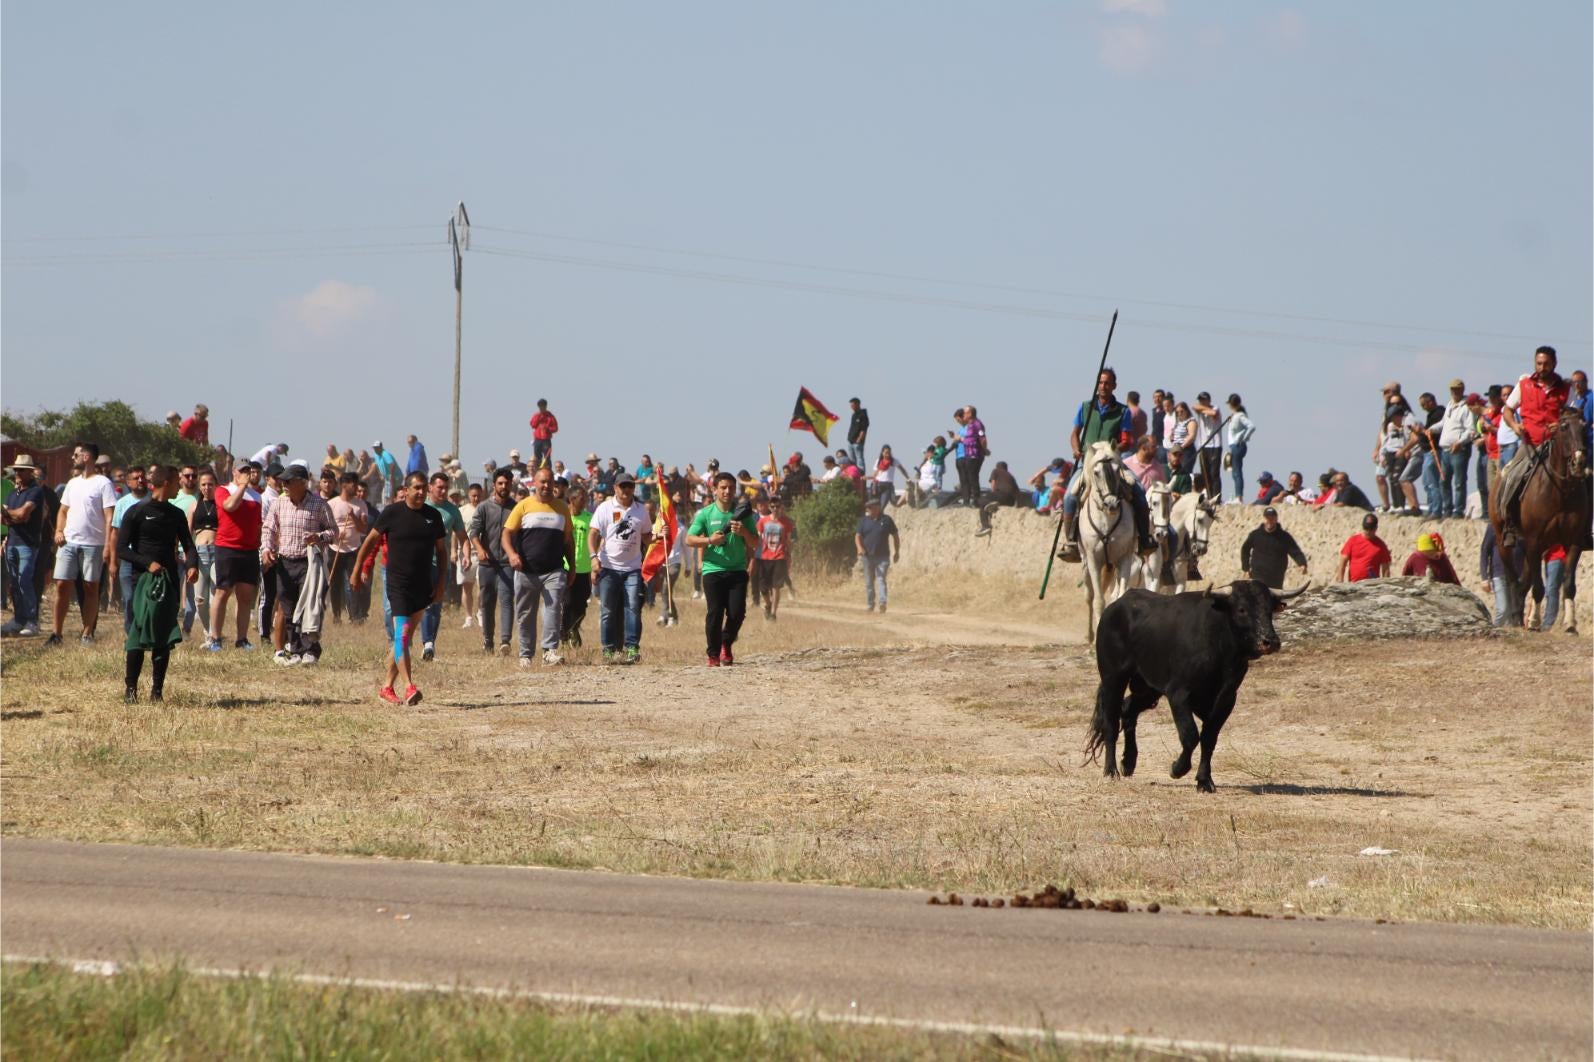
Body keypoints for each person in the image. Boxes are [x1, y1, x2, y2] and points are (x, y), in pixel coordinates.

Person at [353, 472, 447, 705]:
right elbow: (369, 541)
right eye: (416, 488)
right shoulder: (391, 513)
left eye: (424, 488)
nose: (421, 492)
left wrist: (441, 583)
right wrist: (357, 569)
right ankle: (409, 687)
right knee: (401, 635)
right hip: (398, 584)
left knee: (403, 639)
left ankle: (386, 686)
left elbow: (442, 552)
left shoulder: (433, 516)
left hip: (422, 585)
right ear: (405, 489)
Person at [117, 466, 199, 702]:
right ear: (166, 483)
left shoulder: (175, 514)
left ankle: (157, 692)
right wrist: (147, 562)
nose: (180, 486)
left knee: (163, 636)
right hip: (142, 580)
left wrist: (192, 565)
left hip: (169, 581)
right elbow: (122, 549)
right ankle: (130, 690)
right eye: (177, 482)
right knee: (138, 634)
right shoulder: (136, 512)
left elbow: (189, 545)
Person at [1057, 368, 1154, 562]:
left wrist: (1108, 451)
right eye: (1101, 383)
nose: (1103, 386)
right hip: (1087, 464)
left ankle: (1144, 539)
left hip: (1112, 463)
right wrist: (1077, 449)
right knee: (1069, 497)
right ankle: (1071, 543)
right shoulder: (1085, 407)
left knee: (1139, 493)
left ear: (1114, 386)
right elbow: (1075, 433)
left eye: (1107, 383)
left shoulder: (1122, 411)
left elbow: (1126, 440)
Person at [261, 464, 338, 665]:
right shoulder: (279, 503)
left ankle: (310, 650)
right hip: (285, 563)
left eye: (288, 481)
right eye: (282, 481)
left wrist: (319, 536)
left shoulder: (319, 505)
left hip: (309, 564)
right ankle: (294, 649)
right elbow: (268, 528)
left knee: (307, 607)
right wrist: (266, 549)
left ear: (302, 483)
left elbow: (333, 532)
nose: (283, 484)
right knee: (288, 607)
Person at [1497, 345, 1572, 545]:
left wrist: (1561, 424)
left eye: (1546, 364)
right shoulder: (1523, 385)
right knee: (1511, 475)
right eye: (1539, 363)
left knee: (1582, 477)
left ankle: (1583, 529)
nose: (1542, 367)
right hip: (1530, 443)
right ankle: (1510, 523)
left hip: (1557, 445)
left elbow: (1573, 414)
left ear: (1554, 364)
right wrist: (1515, 426)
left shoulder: (1565, 388)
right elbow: (1507, 410)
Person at [679, 472, 756, 665]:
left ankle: (726, 643)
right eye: (723, 487)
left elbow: (755, 542)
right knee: (715, 612)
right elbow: (689, 539)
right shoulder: (705, 514)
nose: (727, 491)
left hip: (738, 570)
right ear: (714, 490)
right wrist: (709, 540)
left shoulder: (743, 514)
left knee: (737, 613)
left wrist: (744, 532)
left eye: (731, 487)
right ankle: (713, 654)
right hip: (713, 570)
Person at [502, 467, 574, 667]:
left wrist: (573, 567)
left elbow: (568, 541)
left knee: (554, 607)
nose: (546, 486)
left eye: (550, 482)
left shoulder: (562, 508)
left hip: (554, 570)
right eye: (542, 482)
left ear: (555, 485)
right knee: (525, 613)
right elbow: (506, 533)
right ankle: (525, 654)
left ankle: (550, 651)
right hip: (526, 570)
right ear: (534, 483)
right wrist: (512, 554)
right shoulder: (523, 506)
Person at [48, 444, 119, 646]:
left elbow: (109, 517)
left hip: (93, 545)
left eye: (77, 455)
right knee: (62, 584)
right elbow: (63, 511)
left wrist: (107, 545)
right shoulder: (72, 483)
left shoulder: (103, 484)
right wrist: (59, 531)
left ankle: (87, 633)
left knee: (91, 587)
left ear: (87, 457)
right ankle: (56, 634)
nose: (73, 457)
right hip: (69, 543)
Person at [589, 472, 652, 664]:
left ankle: (632, 648)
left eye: (629, 486)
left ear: (634, 488)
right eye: (622, 486)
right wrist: (593, 557)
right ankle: (608, 650)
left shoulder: (641, 510)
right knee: (607, 610)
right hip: (609, 568)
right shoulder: (605, 508)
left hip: (633, 569)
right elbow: (593, 533)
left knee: (633, 608)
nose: (626, 490)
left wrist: (659, 536)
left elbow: (647, 536)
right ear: (615, 488)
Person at [206, 461, 263, 651]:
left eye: (249, 471)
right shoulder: (223, 490)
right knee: (222, 592)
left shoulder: (257, 497)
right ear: (234, 472)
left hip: (249, 550)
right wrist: (242, 486)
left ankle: (242, 639)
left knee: (245, 596)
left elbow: (258, 525)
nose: (247, 474)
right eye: (243, 471)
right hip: (227, 548)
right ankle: (215, 637)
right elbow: (229, 506)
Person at [418, 472, 468, 661]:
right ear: (430, 487)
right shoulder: (420, 507)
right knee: (423, 604)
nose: (443, 491)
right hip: (419, 564)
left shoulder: (452, 511)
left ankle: (429, 643)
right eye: (439, 487)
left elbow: (463, 537)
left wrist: (466, 555)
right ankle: (422, 641)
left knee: (435, 604)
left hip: (441, 565)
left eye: (446, 487)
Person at [468, 468, 517, 654]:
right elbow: (474, 532)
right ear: (494, 485)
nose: (504, 486)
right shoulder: (484, 507)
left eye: (507, 483)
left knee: (506, 600)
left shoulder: (516, 507)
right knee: (487, 602)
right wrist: (480, 549)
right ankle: (488, 640)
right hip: (487, 563)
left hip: (507, 563)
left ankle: (505, 641)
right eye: (500, 483)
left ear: (511, 484)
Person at [2, 454, 46, 636]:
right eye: (16, 470)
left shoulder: (35, 492)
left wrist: (10, 515)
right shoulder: (13, 493)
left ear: (29, 473)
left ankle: (31, 620)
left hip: (28, 543)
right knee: (14, 582)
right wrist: (13, 516)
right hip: (12, 541)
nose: (17, 473)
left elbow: (22, 514)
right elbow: (5, 519)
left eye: (21, 470)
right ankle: (19, 619)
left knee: (24, 580)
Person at [327, 472, 370, 626]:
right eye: (352, 483)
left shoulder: (361, 504)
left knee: (354, 582)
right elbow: (326, 527)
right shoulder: (332, 504)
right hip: (335, 548)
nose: (355, 486)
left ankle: (356, 616)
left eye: (356, 482)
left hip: (354, 549)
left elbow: (364, 529)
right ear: (344, 485)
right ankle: (337, 615)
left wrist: (353, 516)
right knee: (335, 583)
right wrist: (336, 535)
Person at [1238, 507, 1309, 590]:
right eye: (1267, 518)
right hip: (1258, 575)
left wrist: (1302, 563)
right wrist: (1246, 568)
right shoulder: (1255, 535)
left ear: (1276, 519)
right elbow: (1245, 549)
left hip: (1276, 577)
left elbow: (1295, 551)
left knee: (1274, 600)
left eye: (1272, 518)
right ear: (1264, 519)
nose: (1270, 521)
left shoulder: (1284, 537)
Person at [561, 482, 595, 646]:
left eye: (586, 498)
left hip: (584, 569)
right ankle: (564, 634)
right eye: (582, 498)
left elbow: (596, 539)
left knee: (582, 605)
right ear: (572, 499)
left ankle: (574, 627)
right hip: (566, 568)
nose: (585, 501)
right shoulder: (564, 517)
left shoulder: (589, 518)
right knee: (567, 603)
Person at [188, 468, 219, 641]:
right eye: (204, 484)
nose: (207, 487)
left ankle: (214, 636)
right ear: (200, 486)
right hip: (199, 554)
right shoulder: (194, 505)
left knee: (215, 598)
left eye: (210, 484)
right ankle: (208, 632)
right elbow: (187, 532)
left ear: (216, 485)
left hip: (217, 553)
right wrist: (187, 555)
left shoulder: (220, 505)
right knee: (200, 599)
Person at [1437, 378, 1474, 519]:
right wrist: (1430, 429)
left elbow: (1470, 430)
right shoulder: (1450, 405)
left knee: (1459, 481)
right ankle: (1447, 509)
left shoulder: (1466, 407)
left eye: (1457, 389)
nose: (1454, 392)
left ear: (1462, 390)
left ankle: (1458, 510)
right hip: (1445, 449)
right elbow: (1443, 424)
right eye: (1452, 389)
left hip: (1459, 450)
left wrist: (1460, 442)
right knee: (1444, 481)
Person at [855, 497, 899, 613]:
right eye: (867, 508)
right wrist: (859, 548)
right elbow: (857, 536)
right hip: (867, 556)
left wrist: (897, 552)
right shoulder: (863, 521)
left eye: (870, 508)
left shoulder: (887, 520)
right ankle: (870, 604)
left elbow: (895, 536)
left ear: (877, 508)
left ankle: (882, 602)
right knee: (869, 582)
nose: (868, 510)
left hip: (883, 557)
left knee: (881, 579)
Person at [756, 495, 795, 621]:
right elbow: (757, 538)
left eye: (777, 506)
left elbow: (788, 541)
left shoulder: (786, 523)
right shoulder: (762, 522)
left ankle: (773, 614)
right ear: (769, 507)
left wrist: (789, 556)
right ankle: (768, 604)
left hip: (779, 557)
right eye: (772, 506)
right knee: (763, 588)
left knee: (776, 586)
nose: (775, 509)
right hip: (764, 557)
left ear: (781, 507)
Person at [1478, 523, 1521, 628]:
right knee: (1503, 609)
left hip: (1515, 576)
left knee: (1513, 613)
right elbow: (1484, 551)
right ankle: (1491, 631)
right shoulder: (1493, 526)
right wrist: (1484, 577)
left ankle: (1509, 640)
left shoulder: (1520, 525)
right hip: (1499, 573)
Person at [1336, 513, 1391, 583]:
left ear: (1376, 528)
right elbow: (1342, 563)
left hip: (1372, 586)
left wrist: (1385, 586)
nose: (1368, 531)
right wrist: (1340, 582)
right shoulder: (1353, 541)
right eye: (1366, 528)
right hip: (1353, 585)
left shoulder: (1381, 546)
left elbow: (1386, 569)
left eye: (1371, 529)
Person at [1191, 392, 1224, 502]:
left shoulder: (1215, 407)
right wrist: (1204, 409)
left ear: (1208, 400)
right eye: (1200, 400)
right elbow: (1194, 406)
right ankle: (1209, 496)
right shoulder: (1199, 408)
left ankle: (1217, 497)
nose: (1201, 402)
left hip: (1215, 444)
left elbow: (1214, 413)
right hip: (1203, 444)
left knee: (1214, 472)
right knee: (1205, 473)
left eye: (1203, 400)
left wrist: (1204, 410)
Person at [1224, 394, 1255, 502]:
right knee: (1234, 472)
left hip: (1237, 445)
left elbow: (1251, 426)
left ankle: (1239, 497)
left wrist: (1243, 438)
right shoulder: (1234, 415)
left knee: (1237, 472)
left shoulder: (1240, 415)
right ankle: (1237, 495)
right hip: (1233, 446)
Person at [959, 405, 989, 507]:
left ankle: (976, 501)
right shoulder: (969, 425)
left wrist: (984, 450)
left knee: (973, 477)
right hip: (968, 454)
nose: (963, 415)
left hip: (975, 455)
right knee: (968, 477)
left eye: (965, 413)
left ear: (970, 414)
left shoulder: (977, 424)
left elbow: (983, 438)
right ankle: (970, 500)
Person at [529, 399, 559, 468]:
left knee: (547, 456)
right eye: (540, 407)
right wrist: (539, 417)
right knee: (537, 457)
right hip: (537, 439)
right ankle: (537, 469)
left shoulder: (550, 416)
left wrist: (548, 428)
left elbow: (555, 428)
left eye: (543, 406)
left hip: (546, 440)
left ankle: (548, 469)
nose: (542, 408)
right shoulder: (536, 415)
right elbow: (533, 425)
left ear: (546, 406)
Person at [846, 397, 869, 471]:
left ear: (857, 404)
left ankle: (861, 473)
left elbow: (864, 428)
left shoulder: (863, 414)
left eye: (852, 405)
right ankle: (853, 472)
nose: (851, 407)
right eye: (851, 405)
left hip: (857, 442)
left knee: (859, 458)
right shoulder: (854, 415)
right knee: (852, 460)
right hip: (850, 441)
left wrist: (859, 439)